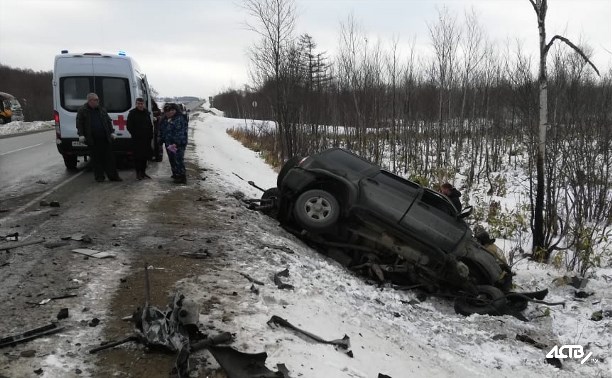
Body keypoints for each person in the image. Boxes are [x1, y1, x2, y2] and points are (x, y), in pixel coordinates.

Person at [76, 93, 122, 182]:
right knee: (96, 159)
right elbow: (79, 124)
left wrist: (112, 132)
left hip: (105, 138)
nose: (98, 101)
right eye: (95, 100)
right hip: (92, 139)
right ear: (90, 101)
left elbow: (108, 121)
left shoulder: (101, 109)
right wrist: (81, 134)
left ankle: (113, 176)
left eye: (98, 100)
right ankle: (99, 177)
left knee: (109, 158)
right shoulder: (82, 110)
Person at [160, 103, 188, 184]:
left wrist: (176, 143)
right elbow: (163, 130)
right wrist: (161, 139)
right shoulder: (165, 119)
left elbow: (181, 132)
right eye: (168, 111)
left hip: (178, 144)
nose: (170, 112)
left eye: (172, 110)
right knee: (172, 159)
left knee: (178, 159)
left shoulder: (179, 119)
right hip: (169, 143)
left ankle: (181, 176)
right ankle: (176, 174)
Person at [127, 97, 153, 180]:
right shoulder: (132, 113)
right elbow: (129, 126)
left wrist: (150, 135)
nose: (140, 105)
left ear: (143, 104)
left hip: (146, 139)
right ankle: (138, 173)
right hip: (137, 139)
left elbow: (150, 125)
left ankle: (143, 172)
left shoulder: (146, 113)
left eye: (141, 104)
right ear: (136, 104)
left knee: (145, 157)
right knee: (138, 157)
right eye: (138, 104)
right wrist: (135, 134)